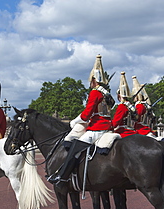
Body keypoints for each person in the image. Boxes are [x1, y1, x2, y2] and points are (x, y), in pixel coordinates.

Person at [48, 54, 114, 185]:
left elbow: (87, 114)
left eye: (91, 81)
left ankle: (63, 176)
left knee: (75, 147)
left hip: (97, 128)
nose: (90, 83)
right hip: (108, 127)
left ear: (94, 80)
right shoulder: (107, 94)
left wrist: (75, 121)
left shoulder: (95, 92)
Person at [111, 72, 137, 138]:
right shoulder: (130, 106)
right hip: (133, 131)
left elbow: (115, 123)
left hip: (123, 133)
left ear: (119, 95)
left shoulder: (122, 106)